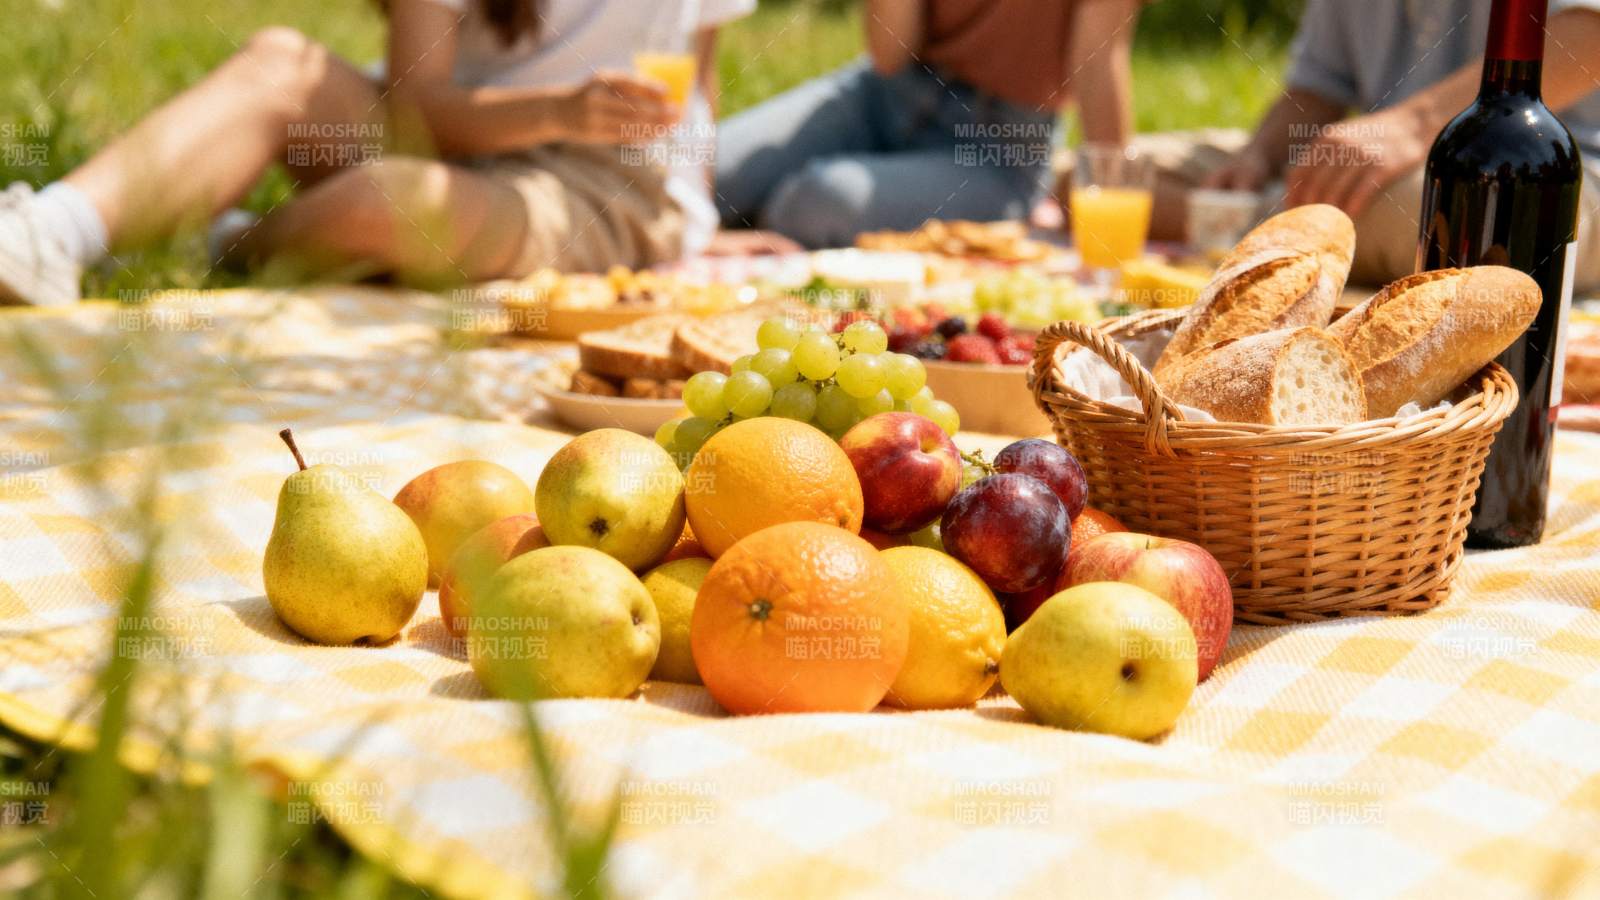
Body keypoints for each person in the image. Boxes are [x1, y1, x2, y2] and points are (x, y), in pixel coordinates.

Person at [0, 0, 752, 307]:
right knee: (280, 65)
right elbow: (416, 110)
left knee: (390, 200)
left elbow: (700, 81)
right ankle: (52, 233)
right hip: (449, 128)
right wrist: (558, 107)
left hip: (595, 180)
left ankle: (218, 244)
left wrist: (700, 220)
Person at [1146, 0, 1600, 289]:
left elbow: (1590, 32)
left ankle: (1236, 226)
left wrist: (1412, 125)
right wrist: (1259, 154)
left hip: (1547, 174)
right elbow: (1318, 86)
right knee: (1115, 172)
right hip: (1373, 165)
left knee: (1443, 215)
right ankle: (1262, 221)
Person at [714, 0, 1142, 249]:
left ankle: (751, 228)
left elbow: (1098, 60)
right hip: (884, 93)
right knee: (709, 176)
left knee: (813, 202)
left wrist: (1114, 199)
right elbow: (888, 56)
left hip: (999, 145)